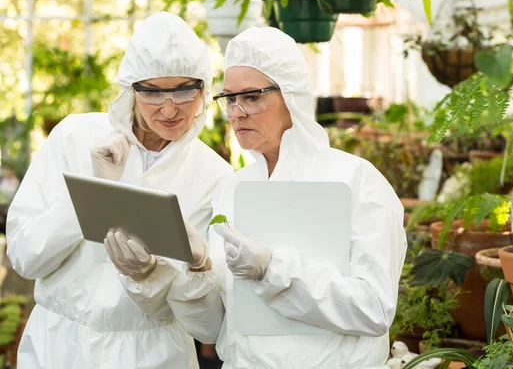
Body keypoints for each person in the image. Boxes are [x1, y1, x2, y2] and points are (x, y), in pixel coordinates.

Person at [111, 26, 407, 369]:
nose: (237, 112)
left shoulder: (356, 181)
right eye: (229, 99)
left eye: (251, 97)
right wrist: (197, 267)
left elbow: (373, 309)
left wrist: (274, 271)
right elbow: (212, 329)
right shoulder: (231, 190)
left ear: (291, 95)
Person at [6, 11, 232, 368]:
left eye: (185, 90)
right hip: (60, 348)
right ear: (130, 88)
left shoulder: (215, 176)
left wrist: (166, 273)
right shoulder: (74, 137)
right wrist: (92, 194)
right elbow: (25, 257)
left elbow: (208, 326)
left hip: (154, 356)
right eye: (153, 92)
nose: (170, 108)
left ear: (204, 87)